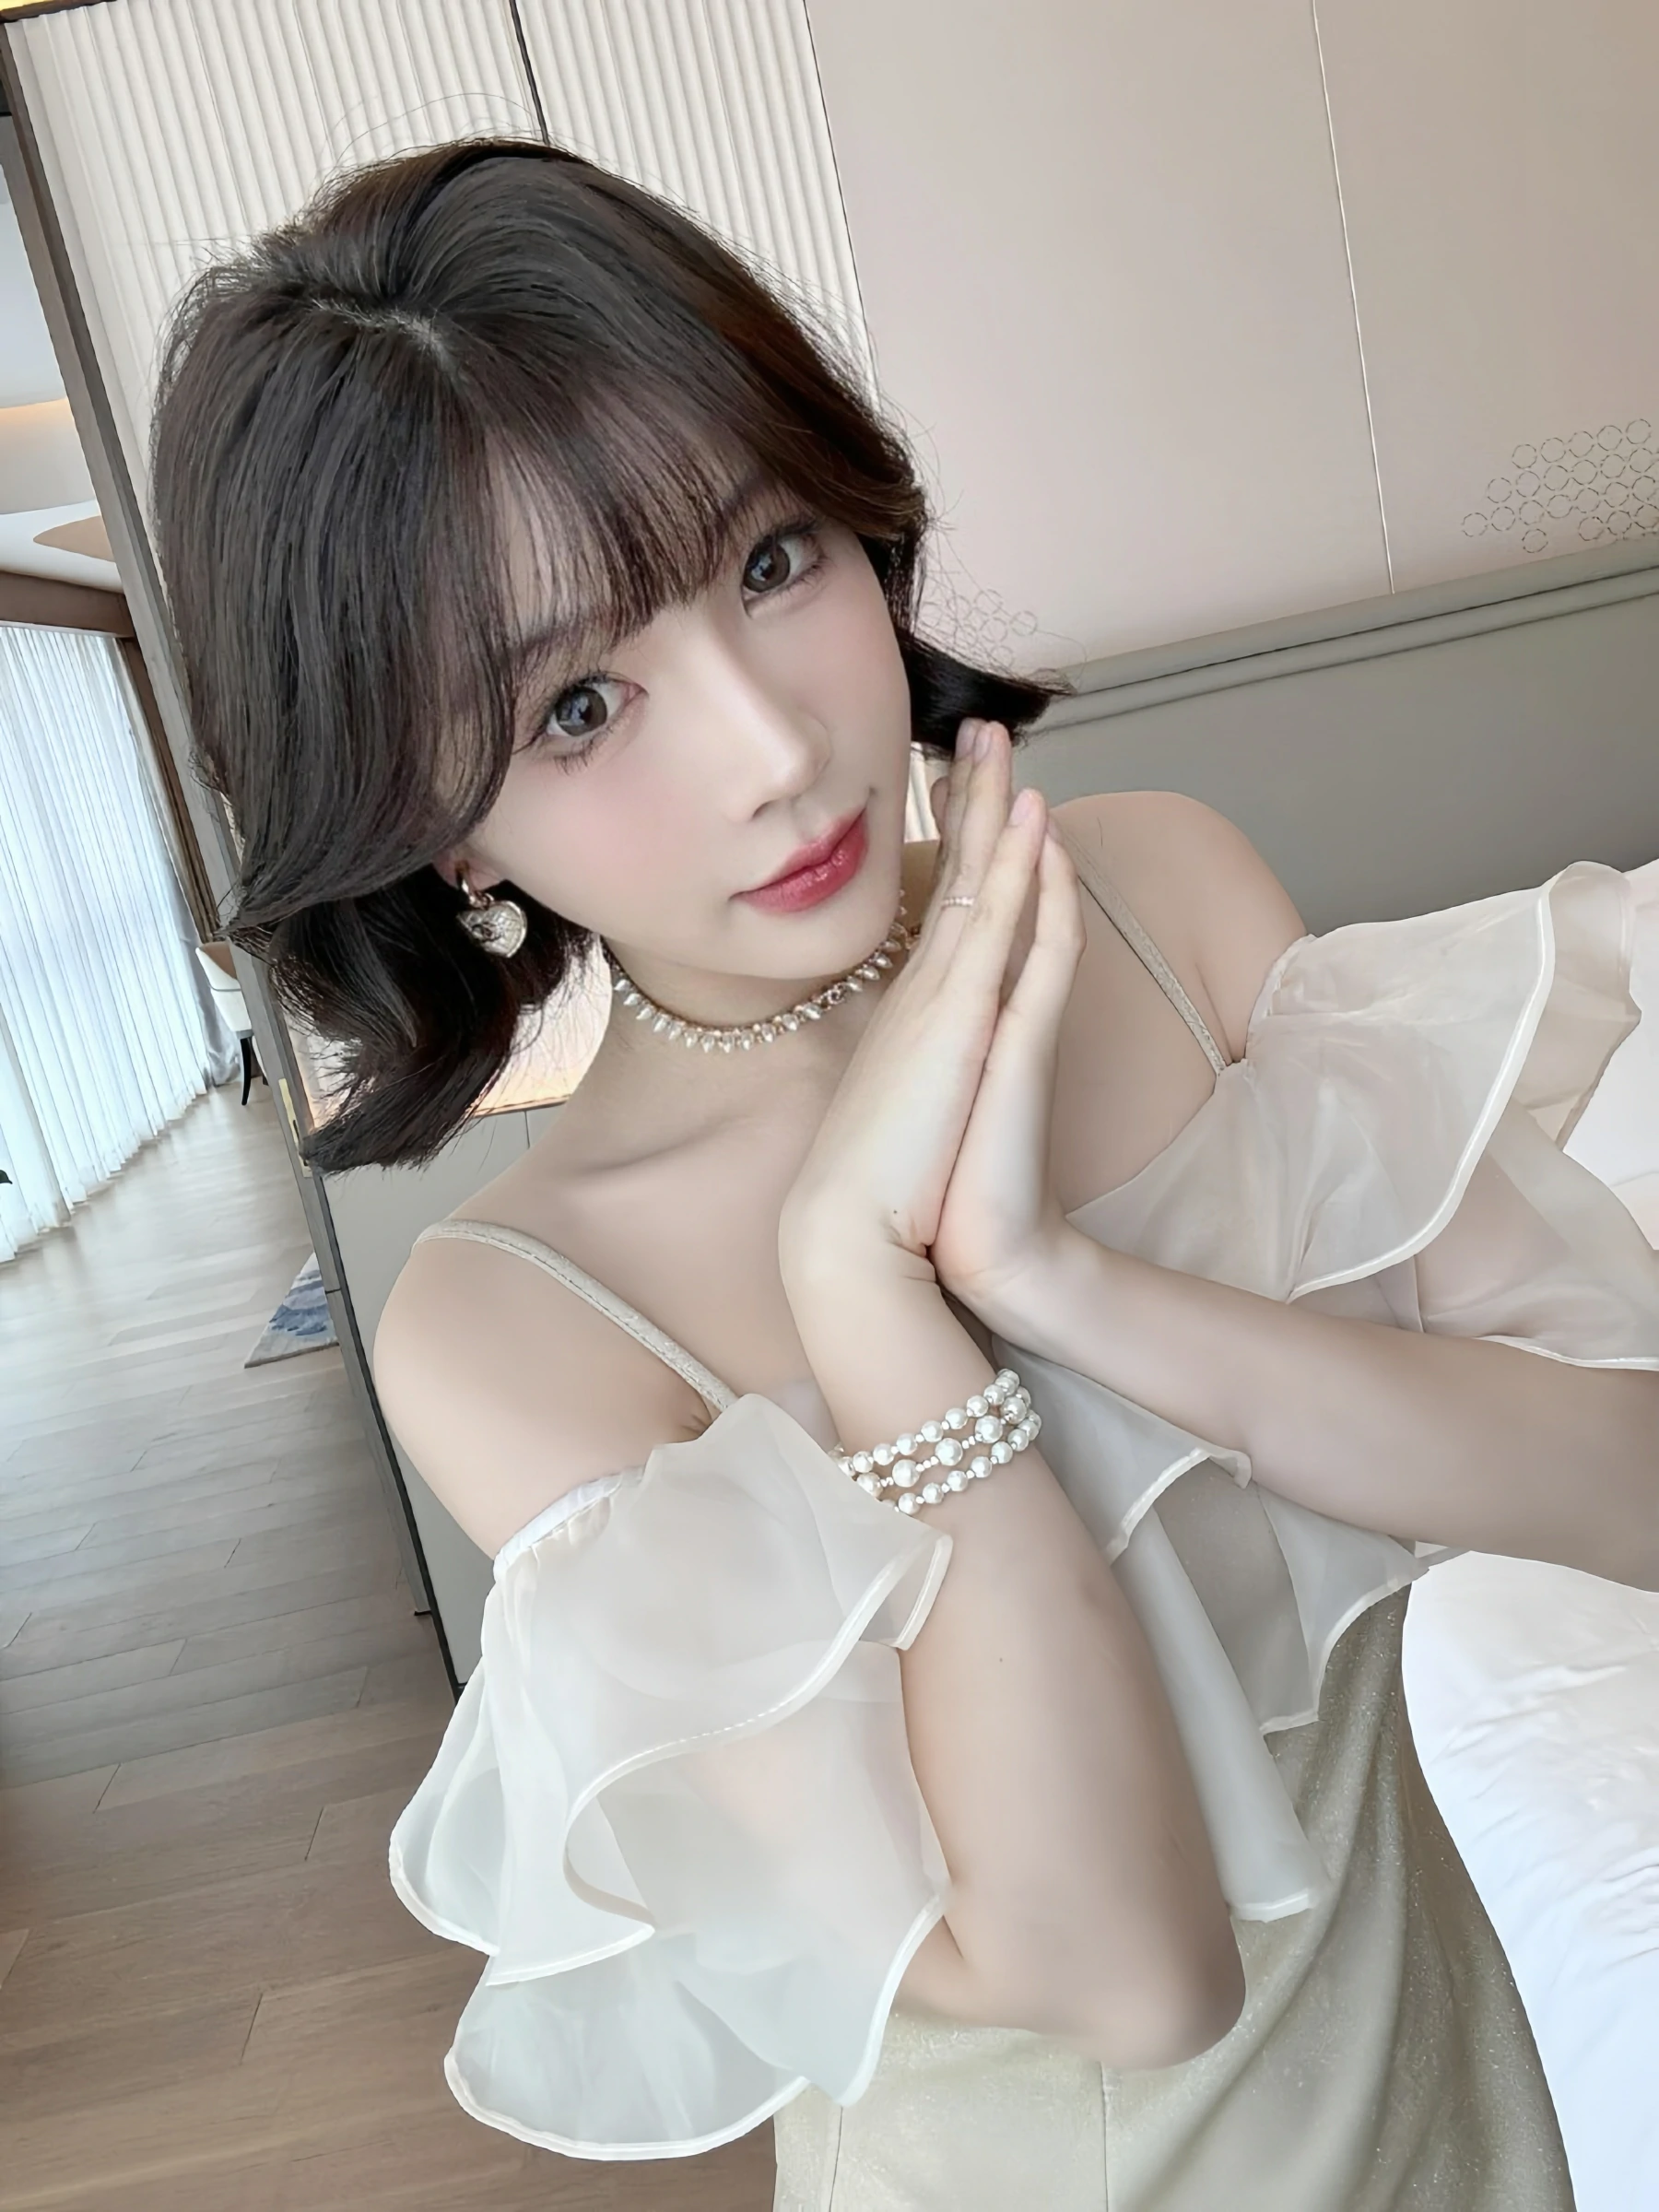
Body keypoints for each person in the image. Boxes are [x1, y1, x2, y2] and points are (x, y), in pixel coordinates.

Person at [148, 135, 1659, 2211]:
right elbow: (1122, 1976)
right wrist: (870, 1303)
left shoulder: (1159, 895)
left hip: (1465, 2110)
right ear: (442, 823)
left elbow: (1628, 1490)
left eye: (773, 560)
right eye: (580, 704)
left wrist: (1064, 1282)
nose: (773, 748)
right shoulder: (515, 1332)